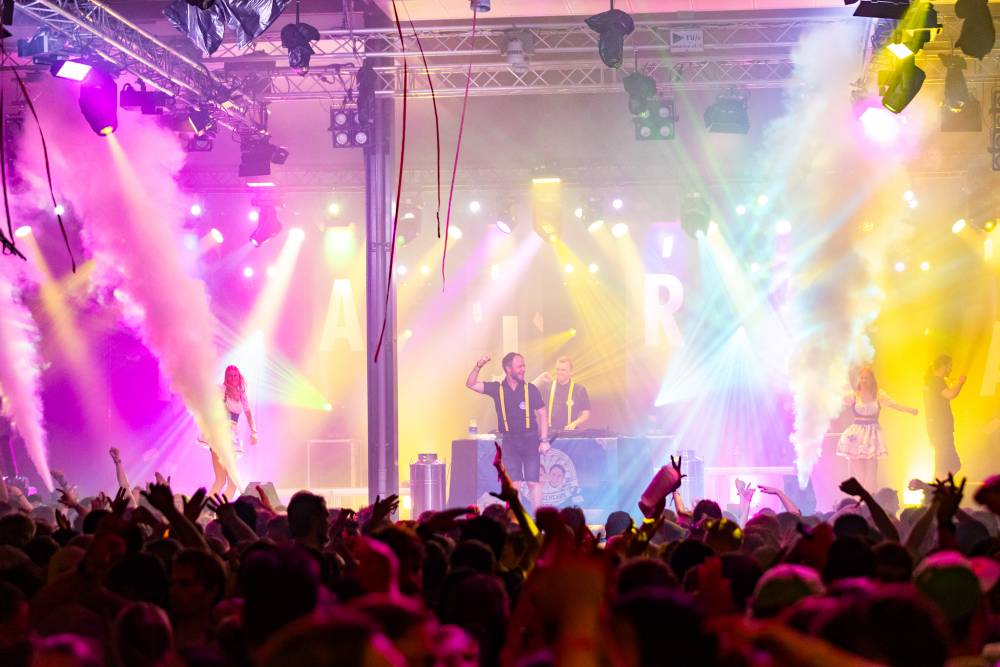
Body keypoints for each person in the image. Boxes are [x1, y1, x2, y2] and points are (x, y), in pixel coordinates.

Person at [466, 353, 549, 509]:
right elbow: (471, 384)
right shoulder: (497, 389)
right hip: (510, 442)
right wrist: (478, 366)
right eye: (519, 366)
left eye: (524, 366)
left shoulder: (530, 389)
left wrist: (544, 440)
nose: (523, 369)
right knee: (513, 485)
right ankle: (518, 520)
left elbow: (543, 413)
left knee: (532, 482)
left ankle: (539, 519)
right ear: (508, 369)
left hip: (530, 440)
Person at [836, 366, 917, 492]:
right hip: (856, 435)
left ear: (872, 380)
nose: (863, 380)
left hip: (872, 435)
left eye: (866, 378)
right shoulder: (854, 395)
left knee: (871, 473)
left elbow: (894, 405)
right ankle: (862, 499)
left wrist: (910, 410)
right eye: (862, 378)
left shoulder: (879, 395)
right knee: (860, 475)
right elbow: (837, 399)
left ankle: (872, 498)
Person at [201, 365, 258, 497]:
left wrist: (254, 432)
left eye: (235, 375)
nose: (233, 378)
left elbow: (249, 415)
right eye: (230, 375)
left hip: (232, 437)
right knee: (220, 480)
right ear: (226, 377)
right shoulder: (221, 390)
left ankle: (222, 507)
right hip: (219, 435)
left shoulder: (242, 396)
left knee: (232, 484)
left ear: (239, 377)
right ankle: (206, 507)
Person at [923, 354, 965, 477]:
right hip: (941, 428)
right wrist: (960, 383)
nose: (951, 369)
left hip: (938, 428)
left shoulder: (933, 381)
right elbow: (950, 394)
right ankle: (940, 484)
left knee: (944, 464)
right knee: (951, 464)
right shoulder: (936, 381)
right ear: (943, 366)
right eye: (950, 366)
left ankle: (940, 484)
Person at [533, 356, 592, 432]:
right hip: (550, 432)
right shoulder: (547, 387)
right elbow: (527, 393)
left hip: (570, 433)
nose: (559, 372)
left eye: (563, 370)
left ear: (571, 372)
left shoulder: (579, 389)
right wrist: (539, 379)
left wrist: (575, 423)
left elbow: (586, 413)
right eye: (558, 369)